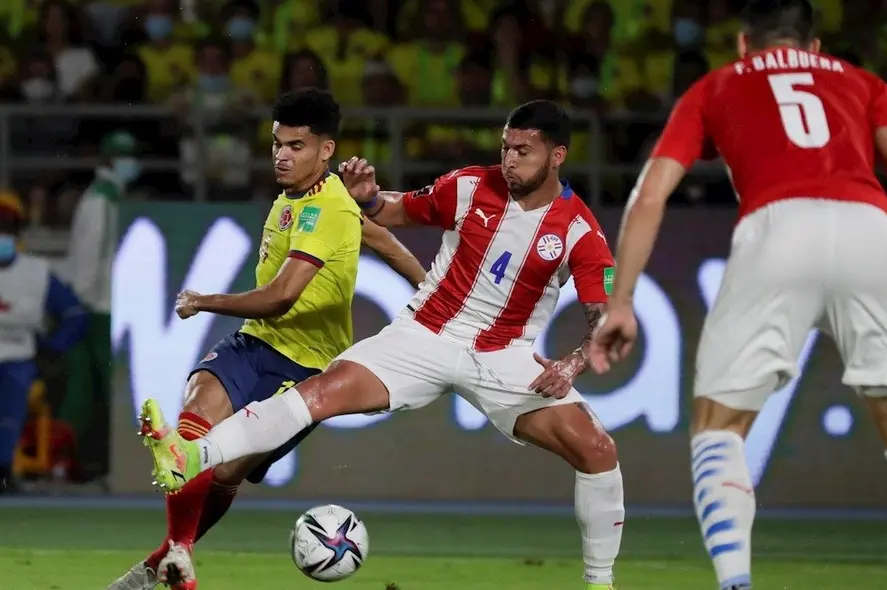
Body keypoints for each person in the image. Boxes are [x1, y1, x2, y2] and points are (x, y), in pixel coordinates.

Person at [138, 100, 625, 590]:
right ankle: (191, 456)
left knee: (598, 449)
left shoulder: (579, 230)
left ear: (557, 155)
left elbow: (600, 320)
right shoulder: (470, 184)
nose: (509, 159)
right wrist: (370, 198)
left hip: (503, 355)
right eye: (505, 147)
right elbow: (397, 211)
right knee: (319, 394)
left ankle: (600, 583)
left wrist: (573, 363)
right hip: (423, 335)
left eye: (524, 150)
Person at [586, 2, 887, 590]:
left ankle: (736, 582)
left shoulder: (715, 84)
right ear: (816, 47)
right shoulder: (863, 81)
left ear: (744, 44)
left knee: (718, 428)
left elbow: (650, 193)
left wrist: (621, 303)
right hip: (873, 228)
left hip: (778, 227)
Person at [109, 88, 426, 590]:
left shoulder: (332, 210)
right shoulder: (291, 198)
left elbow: (280, 296)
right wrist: (432, 289)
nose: (282, 154)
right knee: (192, 431)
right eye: (278, 143)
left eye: (297, 145)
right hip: (253, 343)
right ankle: (178, 559)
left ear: (326, 150)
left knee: (223, 470)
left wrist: (204, 299)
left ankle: (158, 565)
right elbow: (385, 241)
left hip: (304, 371)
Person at [62, 131, 139, 480]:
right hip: (97, 310)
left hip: (102, 307)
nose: (129, 162)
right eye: (122, 156)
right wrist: (82, 304)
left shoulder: (110, 197)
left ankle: (93, 466)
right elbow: (90, 260)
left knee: (97, 393)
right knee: (99, 392)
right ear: (107, 160)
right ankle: (77, 465)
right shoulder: (101, 202)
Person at [0, 192, 87, 494]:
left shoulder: (35, 272)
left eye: (7, 227)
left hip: (20, 357)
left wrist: (53, 348)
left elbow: (75, 314)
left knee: (11, 401)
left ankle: (3, 470)